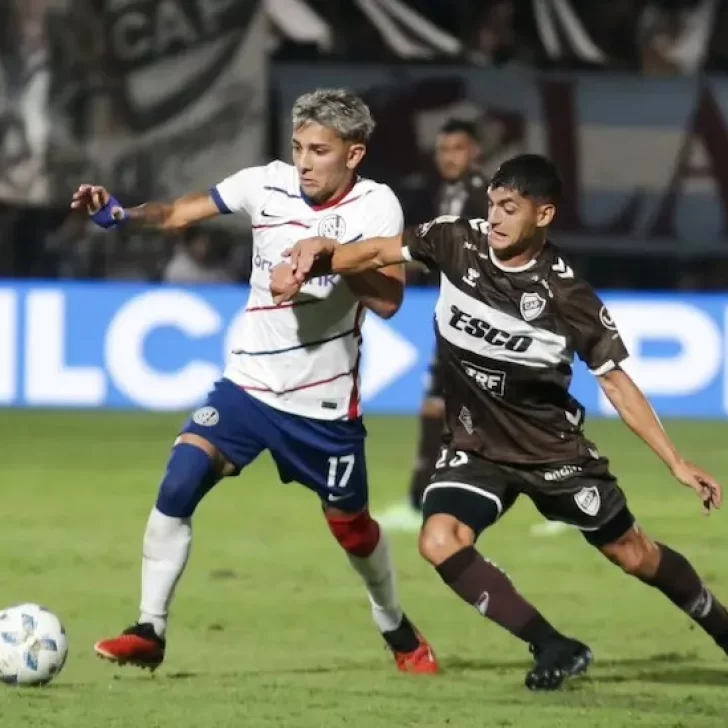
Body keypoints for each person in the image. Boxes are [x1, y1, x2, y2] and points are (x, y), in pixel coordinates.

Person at [271, 153, 728, 691]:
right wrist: (318, 259)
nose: (496, 218)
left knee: (634, 555)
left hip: (551, 453)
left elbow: (616, 383)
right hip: (476, 447)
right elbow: (377, 251)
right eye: (492, 204)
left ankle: (721, 627)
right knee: (439, 539)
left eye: (510, 208)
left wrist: (675, 462)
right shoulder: (455, 242)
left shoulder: (566, 296)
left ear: (544, 214)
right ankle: (553, 645)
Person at [70, 88, 439, 675]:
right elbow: (176, 213)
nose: (305, 161)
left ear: (354, 153)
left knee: (352, 528)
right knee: (179, 482)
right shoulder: (263, 184)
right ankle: (149, 630)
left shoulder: (376, 207)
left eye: (320, 150)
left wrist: (329, 260)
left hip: (322, 405)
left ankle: (394, 624)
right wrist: (119, 215)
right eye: (298, 147)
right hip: (247, 384)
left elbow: (391, 300)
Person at [379, 119, 487, 532]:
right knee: (438, 409)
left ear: (474, 151)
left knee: (462, 412)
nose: (448, 158)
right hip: (453, 316)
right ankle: (419, 499)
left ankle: (420, 500)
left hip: (477, 319)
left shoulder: (485, 196)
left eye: (457, 149)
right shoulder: (448, 193)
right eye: (443, 150)